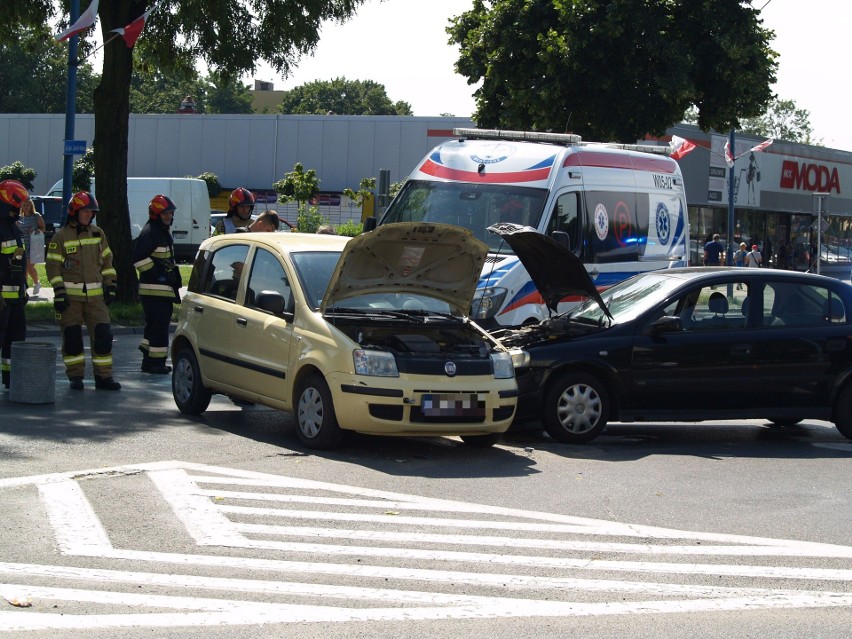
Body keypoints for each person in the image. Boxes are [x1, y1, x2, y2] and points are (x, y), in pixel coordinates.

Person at [46, 191, 121, 391]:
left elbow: (107, 261)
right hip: (71, 299)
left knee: (103, 336)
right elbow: (52, 267)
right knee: (72, 338)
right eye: (85, 211)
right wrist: (60, 292)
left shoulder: (98, 234)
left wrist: (111, 285)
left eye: (91, 212)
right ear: (74, 212)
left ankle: (104, 377)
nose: (89, 215)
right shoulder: (61, 237)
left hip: (96, 299)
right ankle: (76, 376)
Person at [132, 194, 182, 374]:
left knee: (154, 328)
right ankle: (156, 363)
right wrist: (159, 274)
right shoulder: (151, 232)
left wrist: (170, 274)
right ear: (155, 214)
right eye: (165, 213)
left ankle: (148, 360)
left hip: (160, 291)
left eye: (170, 213)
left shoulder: (160, 230)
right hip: (154, 292)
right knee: (160, 329)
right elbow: (138, 259)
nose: (169, 216)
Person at [0, 180, 29, 389]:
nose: (20, 208)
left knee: (15, 342)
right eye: (17, 205)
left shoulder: (12, 228)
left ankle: (11, 380)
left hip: (16, 298)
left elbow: (18, 261)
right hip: (1, 299)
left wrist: (23, 289)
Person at [16, 198, 45, 294]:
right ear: (21, 206)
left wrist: (36, 231)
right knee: (24, 267)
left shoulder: (36, 216)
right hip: (25, 244)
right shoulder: (20, 217)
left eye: (28, 205)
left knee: (29, 266)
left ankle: (37, 283)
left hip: (35, 243)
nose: (26, 207)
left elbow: (43, 228)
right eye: (24, 205)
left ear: (31, 206)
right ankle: (24, 285)